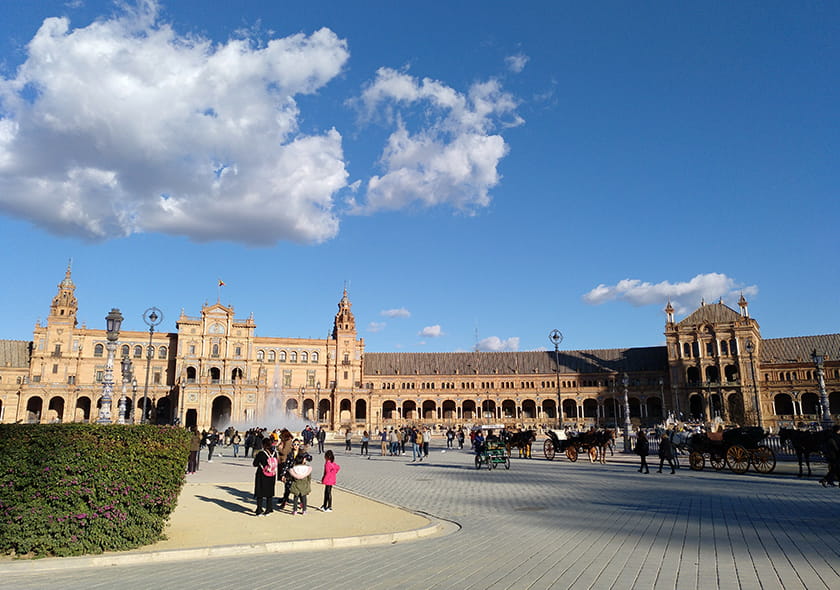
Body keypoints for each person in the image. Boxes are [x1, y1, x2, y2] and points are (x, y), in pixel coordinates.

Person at [252, 438, 277, 516]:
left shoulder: (261, 453)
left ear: (263, 445)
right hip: (272, 474)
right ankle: (269, 509)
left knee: (260, 492)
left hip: (262, 474)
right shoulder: (274, 453)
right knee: (269, 492)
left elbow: (255, 464)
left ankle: (259, 509)